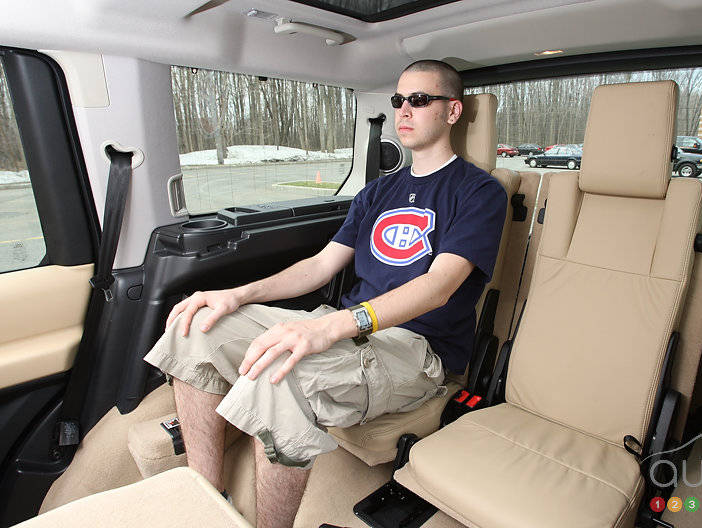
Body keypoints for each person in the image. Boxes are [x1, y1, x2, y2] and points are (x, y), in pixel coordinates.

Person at [144, 59, 507, 527]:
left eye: (419, 100)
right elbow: (319, 266)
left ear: (452, 111)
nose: (403, 110)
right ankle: (207, 498)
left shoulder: (479, 192)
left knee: (279, 372)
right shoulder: (377, 193)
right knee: (197, 323)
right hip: (348, 329)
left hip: (415, 348)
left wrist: (333, 326)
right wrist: (237, 294)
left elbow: (438, 287)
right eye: (398, 100)